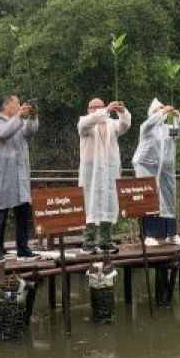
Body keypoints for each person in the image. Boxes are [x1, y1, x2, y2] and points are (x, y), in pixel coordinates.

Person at [0, 93, 40, 264]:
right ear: (6, 105)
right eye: (17, 103)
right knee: (1, 212)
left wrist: (33, 116)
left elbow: (32, 131)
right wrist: (19, 116)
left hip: (21, 174)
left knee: (23, 212)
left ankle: (23, 249)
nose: (19, 105)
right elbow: (4, 133)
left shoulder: (20, 123)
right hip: (4, 175)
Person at [78, 98, 131, 254]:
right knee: (89, 203)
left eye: (101, 106)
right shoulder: (84, 123)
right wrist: (106, 109)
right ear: (89, 109)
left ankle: (106, 241)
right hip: (91, 171)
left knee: (109, 202)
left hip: (109, 171)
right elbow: (89, 122)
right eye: (95, 107)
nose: (99, 110)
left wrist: (122, 111)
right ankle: (87, 242)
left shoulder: (112, 125)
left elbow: (126, 124)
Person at [131, 98, 180, 245]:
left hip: (165, 168)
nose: (161, 112)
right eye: (157, 110)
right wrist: (162, 111)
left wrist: (177, 117)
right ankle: (148, 235)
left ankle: (172, 233)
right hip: (145, 165)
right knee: (148, 198)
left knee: (169, 197)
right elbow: (152, 121)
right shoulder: (146, 127)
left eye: (162, 109)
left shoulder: (168, 129)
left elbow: (179, 131)